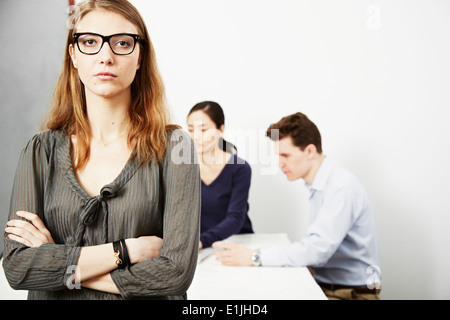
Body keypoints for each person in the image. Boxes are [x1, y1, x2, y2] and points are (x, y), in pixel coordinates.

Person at [3, 0, 200, 300]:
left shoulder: (174, 148)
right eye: (90, 42)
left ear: (139, 56)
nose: (105, 56)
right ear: (73, 55)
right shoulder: (39, 151)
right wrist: (126, 251)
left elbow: (174, 273)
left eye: (122, 43)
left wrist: (56, 261)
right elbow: (18, 268)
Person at [213, 112, 381, 300]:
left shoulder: (340, 188)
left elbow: (318, 249)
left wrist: (255, 257)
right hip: (326, 284)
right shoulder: (317, 186)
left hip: (352, 294)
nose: (279, 164)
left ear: (309, 151)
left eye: (285, 155)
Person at [187, 101, 253, 249]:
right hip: (199, 247)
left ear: (220, 129)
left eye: (203, 130)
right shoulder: (183, 169)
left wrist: (201, 241)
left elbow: (235, 218)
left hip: (235, 243)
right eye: (191, 130)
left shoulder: (240, 168)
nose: (195, 136)